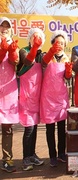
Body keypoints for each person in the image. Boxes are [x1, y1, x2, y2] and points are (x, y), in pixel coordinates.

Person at [40, 30, 72, 167]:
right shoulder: (47, 56)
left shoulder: (66, 57)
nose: (60, 45)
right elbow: (43, 62)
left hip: (61, 97)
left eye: (63, 43)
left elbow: (67, 78)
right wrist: (51, 52)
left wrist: (69, 72)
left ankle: (61, 154)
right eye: (58, 43)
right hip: (48, 97)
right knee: (50, 128)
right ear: (53, 43)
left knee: (61, 127)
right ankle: (52, 155)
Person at [17, 28, 45, 171]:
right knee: (29, 129)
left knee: (34, 128)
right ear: (30, 38)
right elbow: (27, 62)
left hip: (36, 97)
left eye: (39, 38)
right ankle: (26, 158)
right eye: (34, 37)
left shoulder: (41, 55)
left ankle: (32, 154)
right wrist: (33, 48)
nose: (37, 40)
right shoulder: (23, 50)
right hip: (26, 96)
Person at [0, 17, 19, 173]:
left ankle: (7, 160)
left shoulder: (14, 43)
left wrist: (12, 51)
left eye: (7, 26)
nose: (4, 28)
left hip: (8, 90)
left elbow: (16, 63)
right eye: (2, 26)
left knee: (7, 127)